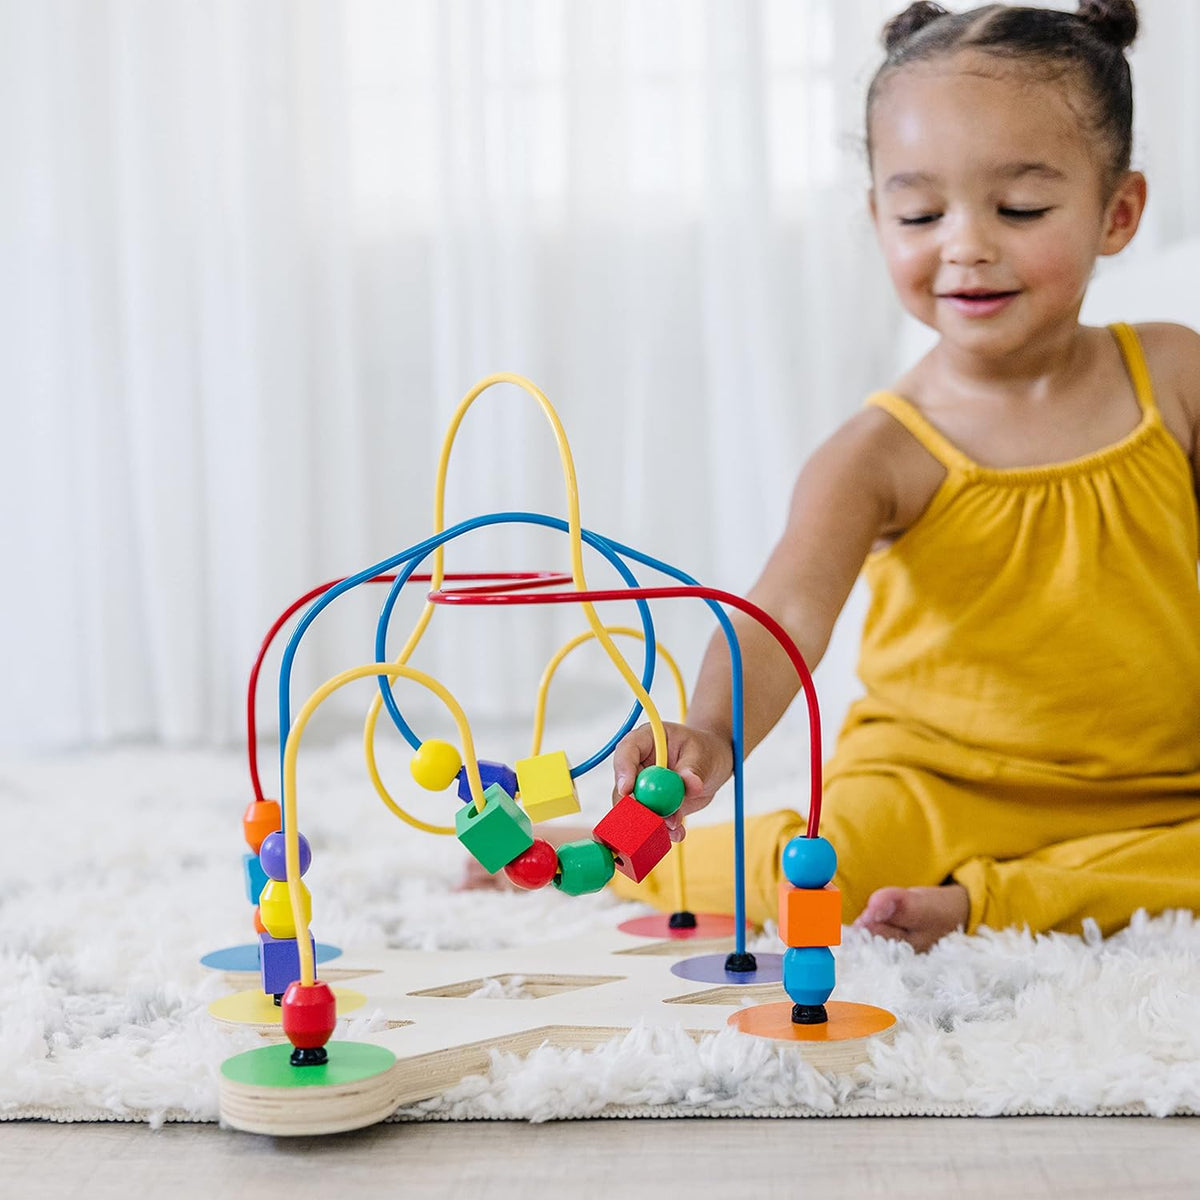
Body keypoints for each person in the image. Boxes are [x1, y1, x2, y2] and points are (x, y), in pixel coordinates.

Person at [464, 0, 1200, 952]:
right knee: (821, 864)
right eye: (922, 212)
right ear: (877, 217)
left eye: (1019, 208)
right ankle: (591, 848)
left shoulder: (1174, 377)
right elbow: (783, 618)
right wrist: (712, 736)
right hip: (933, 781)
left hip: (1164, 780)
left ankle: (986, 904)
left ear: (1119, 213)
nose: (966, 243)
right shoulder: (879, 451)